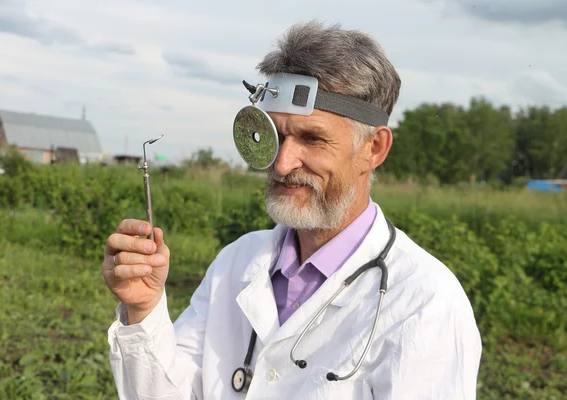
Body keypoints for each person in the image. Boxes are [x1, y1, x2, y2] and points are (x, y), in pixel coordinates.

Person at [103, 20, 482, 399]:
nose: (282, 164)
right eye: (276, 135)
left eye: (312, 138)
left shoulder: (425, 304)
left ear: (374, 149)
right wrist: (144, 310)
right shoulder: (236, 263)